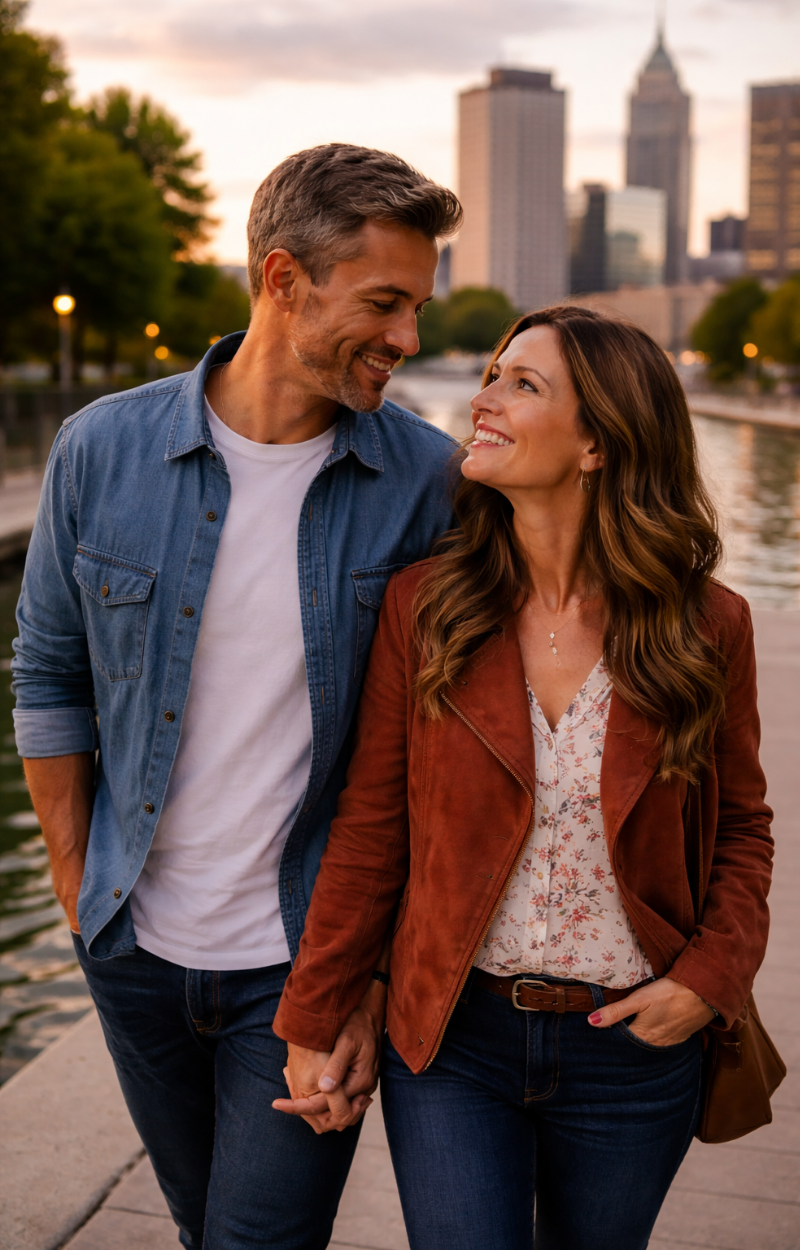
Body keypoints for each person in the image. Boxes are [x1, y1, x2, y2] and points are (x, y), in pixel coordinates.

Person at [12, 143, 462, 1250]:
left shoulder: (428, 481)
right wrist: (77, 889)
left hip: (304, 964)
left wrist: (366, 976)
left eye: (417, 307)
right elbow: (50, 674)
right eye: (384, 303)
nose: (408, 338)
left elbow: (441, 755)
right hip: (134, 952)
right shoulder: (100, 449)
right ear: (281, 279)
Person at [272, 306, 774, 1250]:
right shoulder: (427, 607)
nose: (484, 399)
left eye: (522, 384)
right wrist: (315, 1016)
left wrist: (710, 979)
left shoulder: (708, 626)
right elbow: (373, 827)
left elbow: (743, 826)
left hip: (632, 1047)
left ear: (597, 443)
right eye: (492, 376)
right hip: (454, 1039)